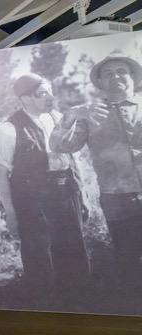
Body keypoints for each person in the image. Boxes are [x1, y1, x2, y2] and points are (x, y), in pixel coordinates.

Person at [50, 51, 142, 285]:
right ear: (100, 82)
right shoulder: (89, 114)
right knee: (128, 260)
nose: (115, 77)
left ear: (133, 77)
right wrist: (72, 115)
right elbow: (59, 146)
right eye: (108, 74)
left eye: (121, 72)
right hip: (116, 199)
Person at [0, 73, 89, 291]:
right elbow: (1, 173)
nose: (50, 97)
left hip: (66, 194)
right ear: (25, 98)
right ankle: (44, 304)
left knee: (74, 251)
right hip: (33, 202)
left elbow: (73, 159)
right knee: (41, 258)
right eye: (43, 93)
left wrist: (82, 194)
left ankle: (79, 300)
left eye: (50, 92)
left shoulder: (58, 118)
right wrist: (11, 214)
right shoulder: (9, 128)